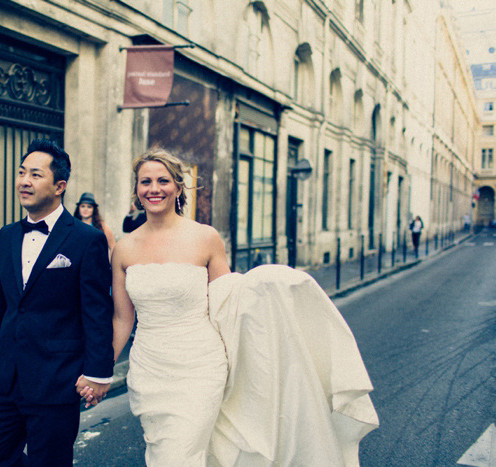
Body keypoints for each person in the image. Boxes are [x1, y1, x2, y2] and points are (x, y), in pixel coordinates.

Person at [83, 147, 379, 465]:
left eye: (163, 180)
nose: (154, 189)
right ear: (137, 190)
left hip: (200, 368)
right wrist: (99, 372)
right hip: (148, 372)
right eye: (146, 182)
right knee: (164, 452)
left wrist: (271, 283)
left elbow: (229, 302)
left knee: (178, 455)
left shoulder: (205, 238)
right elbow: (122, 319)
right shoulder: (124, 249)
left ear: (178, 187)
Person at [0, 139, 114, 466]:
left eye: (35, 175)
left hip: (56, 378)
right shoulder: (7, 234)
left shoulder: (86, 240)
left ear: (60, 186)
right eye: (22, 173)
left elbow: (96, 312)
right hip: (6, 375)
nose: (24, 181)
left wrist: (98, 372)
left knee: (49, 461)